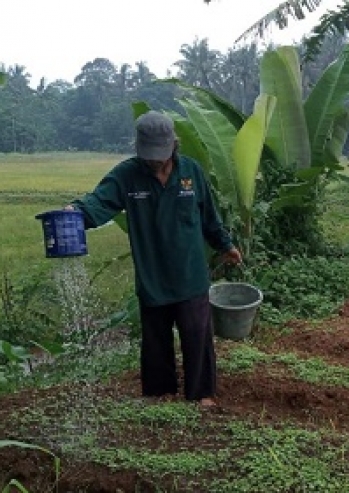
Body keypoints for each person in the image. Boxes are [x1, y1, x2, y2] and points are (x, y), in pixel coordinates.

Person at [67, 110, 241, 407]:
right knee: (156, 339)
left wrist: (225, 244)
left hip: (190, 272)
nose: (157, 160)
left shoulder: (192, 172)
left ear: (174, 144)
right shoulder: (127, 175)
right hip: (153, 273)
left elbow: (209, 217)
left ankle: (202, 394)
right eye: (150, 154)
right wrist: (74, 213)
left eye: (162, 153)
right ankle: (161, 392)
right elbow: (100, 202)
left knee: (197, 335)